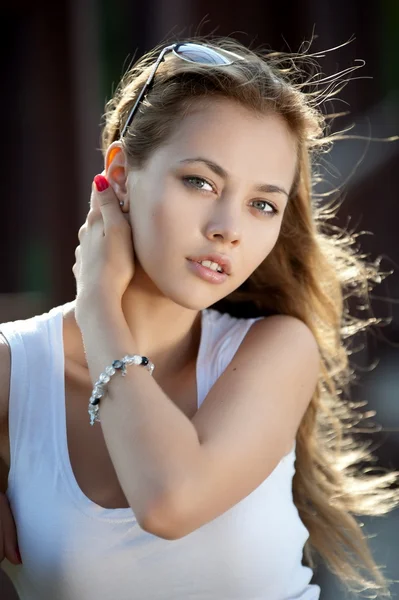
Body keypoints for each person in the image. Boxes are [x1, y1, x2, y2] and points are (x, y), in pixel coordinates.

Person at [0, 36, 398, 600]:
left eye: (263, 204)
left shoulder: (275, 350)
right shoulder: (14, 369)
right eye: (200, 181)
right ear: (119, 175)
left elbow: (170, 500)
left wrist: (98, 306)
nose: (228, 228)